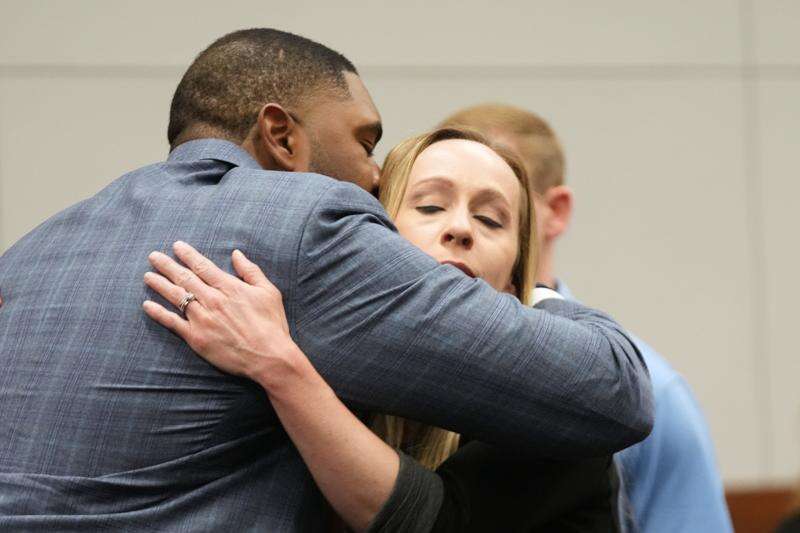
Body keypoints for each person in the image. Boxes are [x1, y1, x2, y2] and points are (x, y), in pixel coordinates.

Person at [0, 29, 653, 531]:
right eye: (367, 145)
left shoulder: (31, 251)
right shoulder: (309, 222)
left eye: (491, 218)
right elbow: (615, 388)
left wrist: (533, 295)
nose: (370, 176)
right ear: (281, 137)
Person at [144, 127, 624, 532]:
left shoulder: (555, 406)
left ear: (514, 281)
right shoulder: (320, 375)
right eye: (430, 207)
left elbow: (434, 523)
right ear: (371, 245)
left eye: (489, 219)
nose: (461, 229)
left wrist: (277, 366)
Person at [439, 103, 733, 532]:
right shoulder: (393, 367)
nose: (459, 226)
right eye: (434, 204)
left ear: (555, 211)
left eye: (491, 210)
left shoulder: (650, 391)